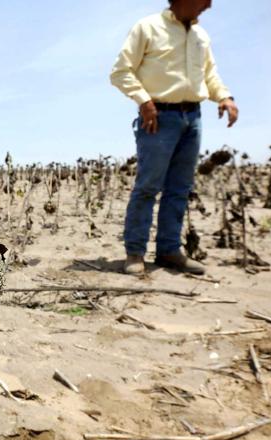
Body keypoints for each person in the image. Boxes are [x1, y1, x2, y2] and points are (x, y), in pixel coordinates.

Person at [110, 0, 238, 275]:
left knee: (180, 188)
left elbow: (210, 74)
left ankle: (169, 251)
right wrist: (144, 102)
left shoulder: (201, 35)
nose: (208, 6)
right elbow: (121, 72)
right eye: (204, 1)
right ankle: (135, 253)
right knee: (148, 186)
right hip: (158, 117)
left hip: (193, 118)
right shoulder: (148, 27)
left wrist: (225, 97)